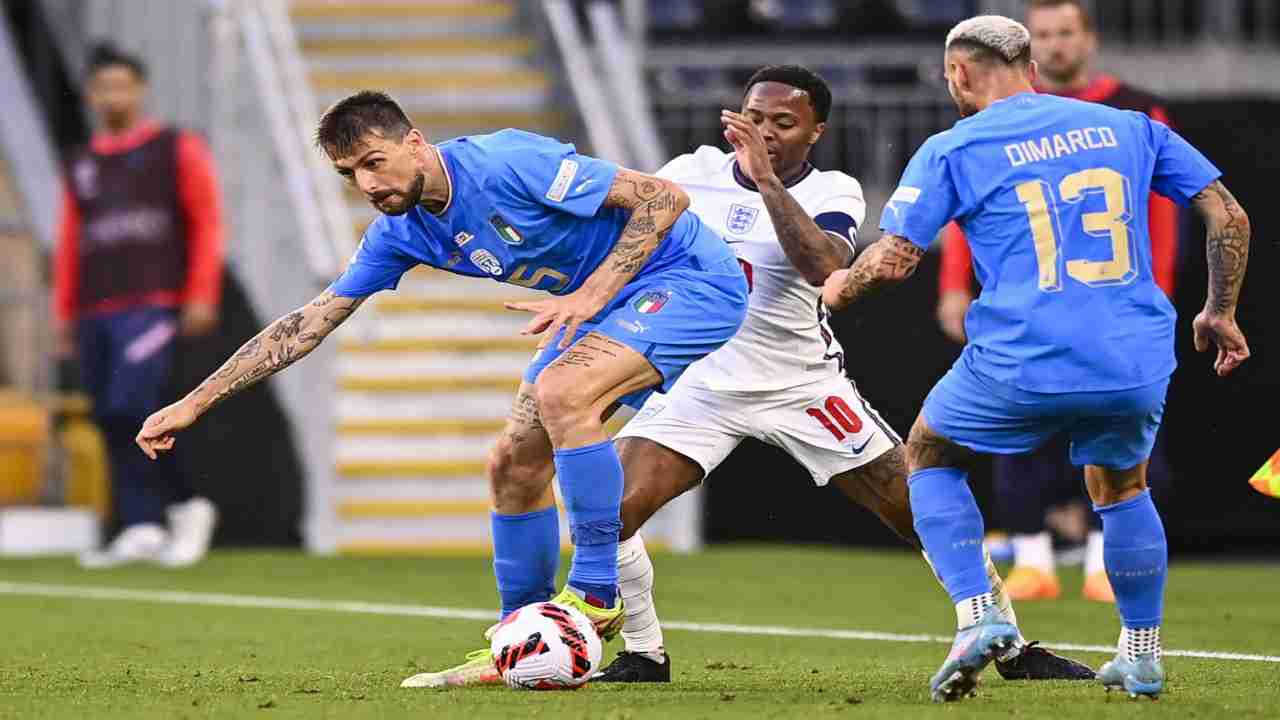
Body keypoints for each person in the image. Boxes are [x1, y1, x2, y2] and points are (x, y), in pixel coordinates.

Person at [132, 91, 750, 686]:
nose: (367, 184)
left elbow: (663, 198)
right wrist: (194, 402)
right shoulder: (401, 232)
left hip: (689, 278)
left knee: (563, 390)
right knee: (512, 462)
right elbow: (309, 323)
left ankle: (594, 593)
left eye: (374, 162)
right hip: (601, 306)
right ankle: (521, 641)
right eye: (350, 174)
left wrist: (591, 294)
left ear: (415, 143)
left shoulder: (506, 162)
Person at [591, 65, 1089, 685]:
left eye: (784, 122)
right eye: (755, 117)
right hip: (703, 383)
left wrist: (767, 182)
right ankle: (643, 653)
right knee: (603, 511)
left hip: (800, 383)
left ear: (816, 132)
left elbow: (823, 265)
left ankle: (1011, 646)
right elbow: (630, 238)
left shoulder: (834, 189)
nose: (765, 132)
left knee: (918, 505)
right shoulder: (690, 172)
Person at [822, 15, 1249, 701]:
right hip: (1130, 356)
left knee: (928, 454)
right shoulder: (1129, 125)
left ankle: (979, 614)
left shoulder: (953, 147)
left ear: (959, 73)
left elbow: (895, 260)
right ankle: (1141, 655)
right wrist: (1219, 311)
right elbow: (1228, 214)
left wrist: (840, 287)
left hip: (1023, 354)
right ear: (1030, 66)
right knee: (1124, 488)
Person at [935, 0, 1182, 604]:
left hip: (1112, 308)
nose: (1055, 45)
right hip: (1027, 306)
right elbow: (971, 205)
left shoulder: (1133, 110)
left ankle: (1103, 560)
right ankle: (1033, 559)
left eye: (1065, 32)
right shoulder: (999, 118)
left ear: (1088, 38)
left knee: (1121, 434)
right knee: (1019, 429)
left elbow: (1161, 209)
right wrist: (953, 285)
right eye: (1042, 34)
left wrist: (1158, 292)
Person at [57, 44, 222, 568]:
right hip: (96, 308)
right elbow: (70, 242)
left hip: (153, 303)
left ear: (140, 91)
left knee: (136, 405)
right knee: (108, 414)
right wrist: (65, 312)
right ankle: (142, 525)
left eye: (122, 86)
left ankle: (189, 506)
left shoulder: (175, 148)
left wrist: (202, 292)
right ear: (91, 95)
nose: (114, 96)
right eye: (104, 88)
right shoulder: (82, 162)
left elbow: (207, 221)